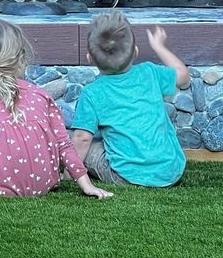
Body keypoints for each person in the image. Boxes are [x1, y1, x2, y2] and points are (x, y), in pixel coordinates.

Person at [0, 19, 112, 198]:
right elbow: (63, 142)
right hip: (42, 183)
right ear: (21, 57)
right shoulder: (40, 95)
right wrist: (86, 184)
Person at [71, 12, 191, 187]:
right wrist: (159, 47)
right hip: (170, 172)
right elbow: (184, 76)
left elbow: (82, 138)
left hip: (125, 177)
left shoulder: (92, 93)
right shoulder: (150, 72)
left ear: (90, 58)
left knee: (78, 141)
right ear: (135, 52)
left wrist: (69, 172)